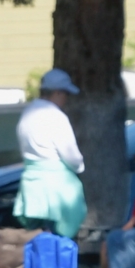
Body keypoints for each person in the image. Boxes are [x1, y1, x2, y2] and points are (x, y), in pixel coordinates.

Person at [13, 70, 87, 239]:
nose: (66, 99)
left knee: (36, 236)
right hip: (56, 188)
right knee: (58, 237)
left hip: (32, 184)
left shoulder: (27, 113)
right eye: (65, 94)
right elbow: (71, 155)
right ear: (57, 92)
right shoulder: (55, 116)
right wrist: (79, 167)